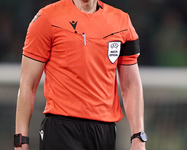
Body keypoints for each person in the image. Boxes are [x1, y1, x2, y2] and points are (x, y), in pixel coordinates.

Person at [14, 0, 147, 150]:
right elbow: (28, 85)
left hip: (104, 133)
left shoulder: (122, 22)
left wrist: (138, 137)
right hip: (61, 129)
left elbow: (131, 86)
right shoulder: (46, 18)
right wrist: (20, 141)